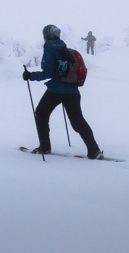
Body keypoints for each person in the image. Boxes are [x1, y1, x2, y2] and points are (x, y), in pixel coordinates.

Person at [23, 24, 103, 159]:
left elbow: (47, 73)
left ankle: (45, 147)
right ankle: (94, 150)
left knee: (41, 114)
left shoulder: (49, 49)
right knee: (78, 121)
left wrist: (31, 76)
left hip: (55, 91)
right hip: (73, 91)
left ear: (46, 37)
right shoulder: (64, 47)